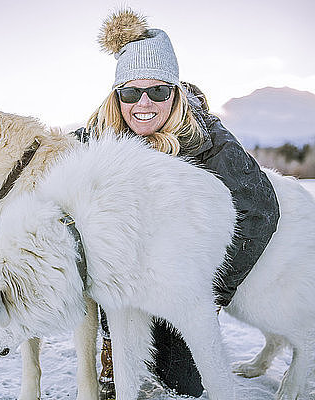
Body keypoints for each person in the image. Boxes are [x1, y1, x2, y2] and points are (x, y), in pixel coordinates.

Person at [72, 9, 280, 399]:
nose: (144, 103)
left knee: (185, 382)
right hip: (124, 283)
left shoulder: (207, 137)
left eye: (159, 91)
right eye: (131, 92)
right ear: (116, 97)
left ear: (176, 92)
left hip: (178, 275)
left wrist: (212, 289)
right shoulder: (95, 137)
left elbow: (260, 209)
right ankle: (113, 341)